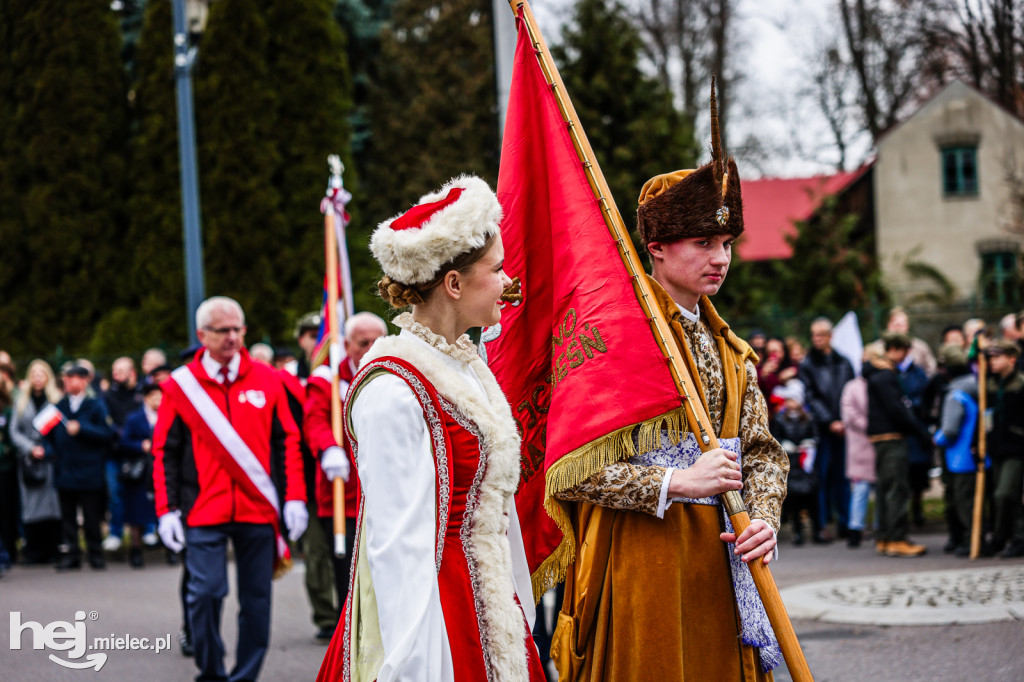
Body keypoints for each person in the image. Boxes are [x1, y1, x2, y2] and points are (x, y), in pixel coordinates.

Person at [550, 100, 788, 680]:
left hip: (725, 559)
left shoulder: (731, 348)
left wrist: (763, 518)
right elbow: (570, 467)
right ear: (656, 247)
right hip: (643, 561)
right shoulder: (611, 340)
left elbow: (761, 452)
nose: (721, 259)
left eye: (727, 244)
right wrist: (677, 482)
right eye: (703, 243)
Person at [317, 176, 545, 681]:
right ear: (455, 284)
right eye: (498, 269)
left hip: (489, 601)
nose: (509, 281)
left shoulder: (466, 364)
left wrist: (515, 604)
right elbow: (397, 548)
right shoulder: (394, 390)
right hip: (437, 617)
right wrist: (413, 666)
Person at [153, 296, 308, 682]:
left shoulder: (268, 378)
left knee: (256, 601)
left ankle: (244, 676)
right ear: (202, 334)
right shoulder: (179, 386)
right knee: (205, 594)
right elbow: (164, 451)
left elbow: (286, 440)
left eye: (239, 329)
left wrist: (294, 497)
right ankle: (210, 670)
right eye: (224, 330)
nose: (233, 337)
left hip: (258, 510)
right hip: (204, 508)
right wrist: (165, 509)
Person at [304, 311, 387, 643]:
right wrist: (328, 449)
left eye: (378, 341)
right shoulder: (328, 379)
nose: (371, 348)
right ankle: (348, 634)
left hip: (383, 491)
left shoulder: (391, 372)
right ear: (348, 344)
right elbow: (315, 420)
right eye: (364, 342)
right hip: (343, 493)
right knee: (346, 566)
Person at [864, 333, 930, 557]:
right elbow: (897, 409)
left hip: (882, 438)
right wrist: (918, 430)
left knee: (885, 488)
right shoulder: (885, 374)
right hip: (892, 437)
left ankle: (884, 537)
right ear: (895, 349)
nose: (905, 356)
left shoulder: (876, 373)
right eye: (904, 351)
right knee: (897, 488)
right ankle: (896, 537)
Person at [48, 364, 116, 570]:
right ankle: (72, 555)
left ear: (85, 380)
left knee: (91, 516)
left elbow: (107, 434)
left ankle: (95, 554)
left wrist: (82, 428)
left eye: (73, 378)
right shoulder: (59, 407)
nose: (68, 381)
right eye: (66, 378)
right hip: (65, 469)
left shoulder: (95, 406)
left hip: (89, 470)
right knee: (68, 517)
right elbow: (48, 435)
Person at [799, 317, 855, 541]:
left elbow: (850, 391)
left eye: (820, 334)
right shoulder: (808, 364)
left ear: (830, 336)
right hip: (821, 429)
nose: (816, 339)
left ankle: (846, 523)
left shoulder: (844, 362)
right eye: (813, 335)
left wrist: (843, 420)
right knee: (821, 477)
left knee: (842, 476)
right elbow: (810, 396)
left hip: (843, 427)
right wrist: (830, 420)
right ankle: (822, 524)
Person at [9, 360, 63, 564]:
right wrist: (30, 449)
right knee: (32, 506)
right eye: (34, 374)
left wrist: (47, 449)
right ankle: (34, 550)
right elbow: (14, 431)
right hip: (30, 460)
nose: (38, 377)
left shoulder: (56, 400)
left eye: (42, 373)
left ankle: (53, 549)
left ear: (48, 376)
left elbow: (60, 430)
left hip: (50, 459)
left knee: (52, 504)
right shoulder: (21, 401)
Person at [975, 339, 1024, 558]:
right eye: (990, 358)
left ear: (1011, 359)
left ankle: (1011, 537)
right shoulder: (990, 384)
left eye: (997, 357)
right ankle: (1006, 537)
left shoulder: (1020, 384)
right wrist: (977, 444)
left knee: (1006, 493)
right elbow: (984, 417)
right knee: (999, 495)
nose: (992, 362)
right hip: (996, 448)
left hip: (1016, 448)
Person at [933, 344, 979, 557]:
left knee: (963, 500)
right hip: (972, 453)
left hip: (959, 456)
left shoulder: (956, 394)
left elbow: (950, 429)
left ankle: (972, 539)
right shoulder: (975, 386)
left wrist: (937, 438)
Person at [101, 356, 144, 552]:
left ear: (132, 373)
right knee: (115, 494)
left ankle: (148, 531)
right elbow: (106, 422)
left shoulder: (141, 393)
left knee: (143, 494)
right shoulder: (107, 396)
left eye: (120, 370)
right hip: (115, 453)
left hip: (138, 453)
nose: (115, 374)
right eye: (114, 370)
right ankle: (115, 533)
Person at [119, 383, 163, 568]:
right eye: (153, 396)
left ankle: (170, 550)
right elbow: (124, 440)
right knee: (137, 509)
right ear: (146, 398)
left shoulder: (169, 415)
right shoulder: (135, 418)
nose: (158, 400)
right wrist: (141, 445)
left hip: (161, 467)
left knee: (163, 508)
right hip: (141, 470)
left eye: (160, 396)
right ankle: (136, 550)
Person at [770, 382, 819, 546]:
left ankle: (817, 530)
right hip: (790, 464)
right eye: (788, 399)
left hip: (806, 463)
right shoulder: (779, 419)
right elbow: (774, 438)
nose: (790, 403)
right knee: (794, 499)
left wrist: (810, 443)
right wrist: (784, 444)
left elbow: (816, 436)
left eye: (793, 399)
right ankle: (797, 532)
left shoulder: (809, 417)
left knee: (812, 498)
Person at [841, 350, 879, 549]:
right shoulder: (852, 386)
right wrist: (870, 425)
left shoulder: (878, 384)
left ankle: (881, 528)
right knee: (861, 489)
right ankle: (855, 528)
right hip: (860, 443)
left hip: (878, 442)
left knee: (880, 488)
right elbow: (849, 411)